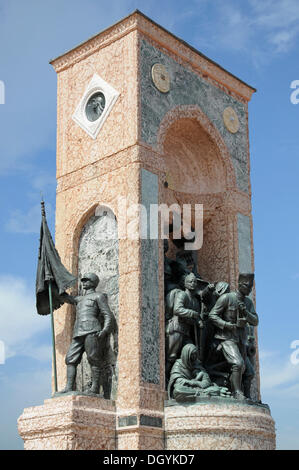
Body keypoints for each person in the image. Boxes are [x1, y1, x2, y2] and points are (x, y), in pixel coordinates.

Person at [59, 272, 113, 395]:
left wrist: (105, 331)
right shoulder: (79, 299)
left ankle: (95, 388)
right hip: (78, 332)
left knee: (93, 359)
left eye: (86, 280)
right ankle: (69, 387)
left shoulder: (98, 296)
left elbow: (107, 315)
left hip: (92, 330)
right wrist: (56, 284)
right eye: (83, 281)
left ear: (93, 282)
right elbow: (64, 297)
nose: (83, 283)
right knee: (70, 359)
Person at [208, 273, 258, 400]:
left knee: (250, 373)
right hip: (226, 339)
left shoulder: (248, 302)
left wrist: (246, 312)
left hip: (241, 340)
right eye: (247, 286)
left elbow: (255, 321)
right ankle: (237, 393)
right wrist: (227, 325)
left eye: (251, 287)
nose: (249, 289)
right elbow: (212, 315)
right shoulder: (227, 298)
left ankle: (248, 397)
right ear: (240, 285)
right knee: (238, 363)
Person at [165, 273, 202, 380]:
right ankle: (166, 377)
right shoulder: (182, 295)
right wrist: (192, 313)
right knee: (171, 356)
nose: (193, 284)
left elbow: (197, 315)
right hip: (176, 328)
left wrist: (199, 321)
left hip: (187, 331)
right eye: (190, 281)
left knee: (192, 353)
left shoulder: (195, 301)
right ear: (185, 284)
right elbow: (177, 309)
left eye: (195, 282)